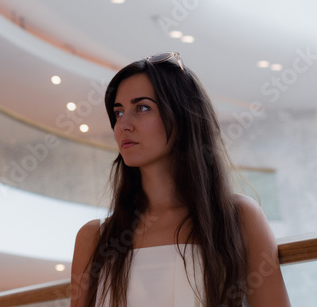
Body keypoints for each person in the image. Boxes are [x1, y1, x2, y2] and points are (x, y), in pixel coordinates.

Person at [70, 52, 290, 307]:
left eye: (142, 108)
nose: (124, 125)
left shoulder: (237, 218)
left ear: (182, 117)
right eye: (118, 113)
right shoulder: (94, 238)